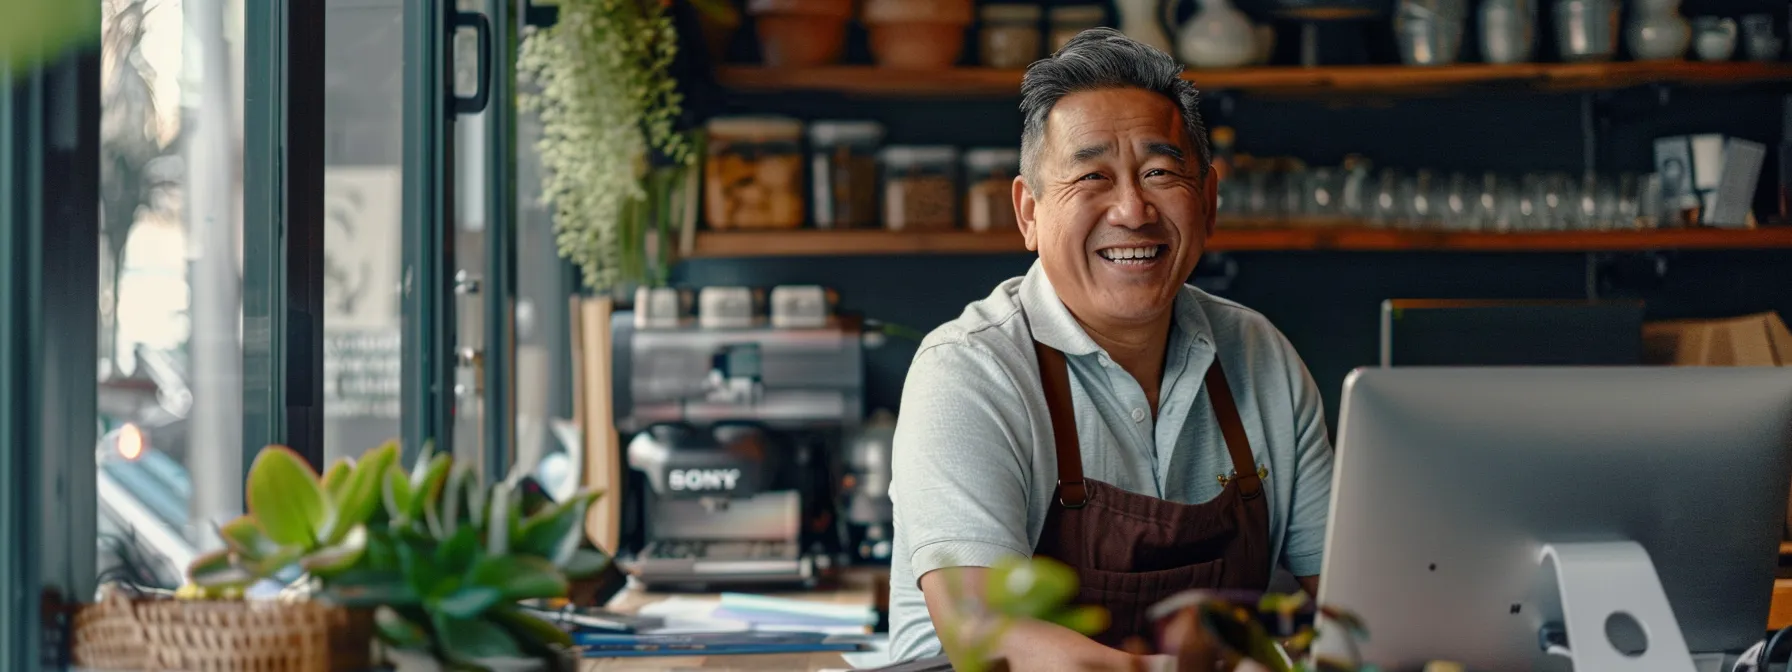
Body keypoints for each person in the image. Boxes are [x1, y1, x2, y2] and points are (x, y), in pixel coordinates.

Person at [885, 27, 1336, 670]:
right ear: (1029, 213)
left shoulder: (1258, 354)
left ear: (1207, 201)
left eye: (1159, 172)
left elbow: (1353, 595)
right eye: (1092, 176)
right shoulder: (969, 370)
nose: (1131, 209)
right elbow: (983, 629)